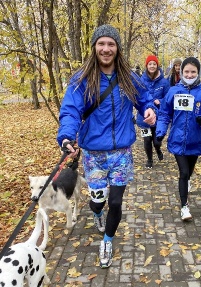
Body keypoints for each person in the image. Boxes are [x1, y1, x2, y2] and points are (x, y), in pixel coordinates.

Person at [56, 24, 156, 268]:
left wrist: (149, 110)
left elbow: (143, 100)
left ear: (118, 48)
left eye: (111, 44)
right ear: (94, 47)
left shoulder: (128, 78)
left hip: (121, 152)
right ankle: (97, 213)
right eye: (101, 43)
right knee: (98, 201)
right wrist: (67, 136)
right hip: (94, 154)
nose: (106, 48)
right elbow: (70, 111)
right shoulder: (81, 80)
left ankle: (108, 240)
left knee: (116, 202)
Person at [156, 57, 201, 220]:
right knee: (183, 172)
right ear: (181, 72)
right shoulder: (173, 91)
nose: (189, 75)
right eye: (186, 71)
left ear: (198, 73)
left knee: (189, 172)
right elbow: (164, 114)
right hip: (177, 140)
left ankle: (186, 182)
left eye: (193, 72)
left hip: (195, 140)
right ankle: (184, 207)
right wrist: (160, 132)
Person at [136, 55, 170, 168]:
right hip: (144, 116)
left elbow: (168, 98)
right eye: (150, 64)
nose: (152, 66)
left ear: (157, 65)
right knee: (147, 140)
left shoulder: (164, 82)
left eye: (154, 64)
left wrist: (159, 101)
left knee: (156, 141)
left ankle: (158, 149)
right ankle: (149, 160)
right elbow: (138, 96)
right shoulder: (140, 80)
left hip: (159, 116)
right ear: (146, 66)